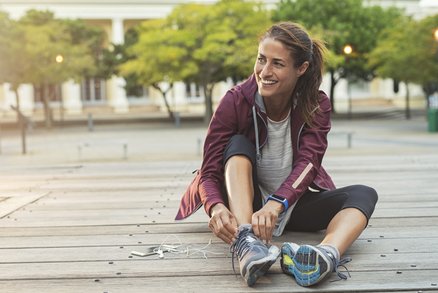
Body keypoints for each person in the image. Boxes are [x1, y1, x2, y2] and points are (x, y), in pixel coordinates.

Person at [175, 21, 378, 287]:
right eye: (261, 60)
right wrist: (216, 206)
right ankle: (247, 243)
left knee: (363, 194)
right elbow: (209, 170)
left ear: (301, 68)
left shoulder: (316, 104)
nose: (264, 71)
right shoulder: (235, 100)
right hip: (245, 207)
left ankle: (325, 254)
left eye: (277, 64)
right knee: (237, 144)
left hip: (289, 203)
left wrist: (277, 203)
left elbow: (309, 163)